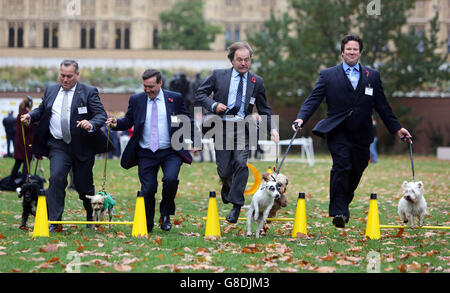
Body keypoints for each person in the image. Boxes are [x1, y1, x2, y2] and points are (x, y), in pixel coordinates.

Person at [292, 34, 412, 228]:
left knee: (357, 168)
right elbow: (313, 99)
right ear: (342, 52)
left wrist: (397, 128)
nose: (352, 52)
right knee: (342, 165)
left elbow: (382, 106)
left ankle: (343, 202)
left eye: (355, 49)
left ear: (360, 52)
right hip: (337, 130)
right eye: (348, 49)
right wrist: (301, 118)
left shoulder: (372, 76)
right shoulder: (328, 75)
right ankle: (339, 211)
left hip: (362, 133)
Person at [195, 41, 279, 224]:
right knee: (224, 170)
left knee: (241, 163)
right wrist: (214, 105)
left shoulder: (257, 82)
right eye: (239, 60)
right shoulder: (219, 76)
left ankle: (236, 206)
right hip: (221, 126)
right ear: (232, 60)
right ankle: (226, 186)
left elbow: (264, 108)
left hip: (243, 126)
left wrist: (272, 128)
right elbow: (200, 94)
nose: (243, 63)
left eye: (247, 60)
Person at [21, 59, 108, 232]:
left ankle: (90, 214)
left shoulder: (89, 92)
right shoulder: (51, 90)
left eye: (69, 76)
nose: (65, 79)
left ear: (77, 75)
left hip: (82, 146)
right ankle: (55, 221)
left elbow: (100, 115)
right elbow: (42, 109)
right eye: (62, 75)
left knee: (84, 186)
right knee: (56, 179)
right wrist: (30, 116)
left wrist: (90, 124)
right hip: (58, 145)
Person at [106, 69, 193, 233]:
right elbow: (128, 121)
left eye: (151, 86)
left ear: (160, 83)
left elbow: (187, 119)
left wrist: (194, 139)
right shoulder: (137, 99)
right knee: (148, 189)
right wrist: (116, 124)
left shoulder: (175, 98)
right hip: (146, 152)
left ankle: (166, 213)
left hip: (170, 151)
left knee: (171, 180)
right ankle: (148, 220)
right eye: (145, 86)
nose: (148, 90)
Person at [9, 97, 36, 185]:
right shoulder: (26, 116)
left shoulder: (20, 114)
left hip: (19, 144)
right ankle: (24, 184)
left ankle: (11, 182)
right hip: (26, 144)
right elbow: (30, 132)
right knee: (26, 166)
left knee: (17, 164)